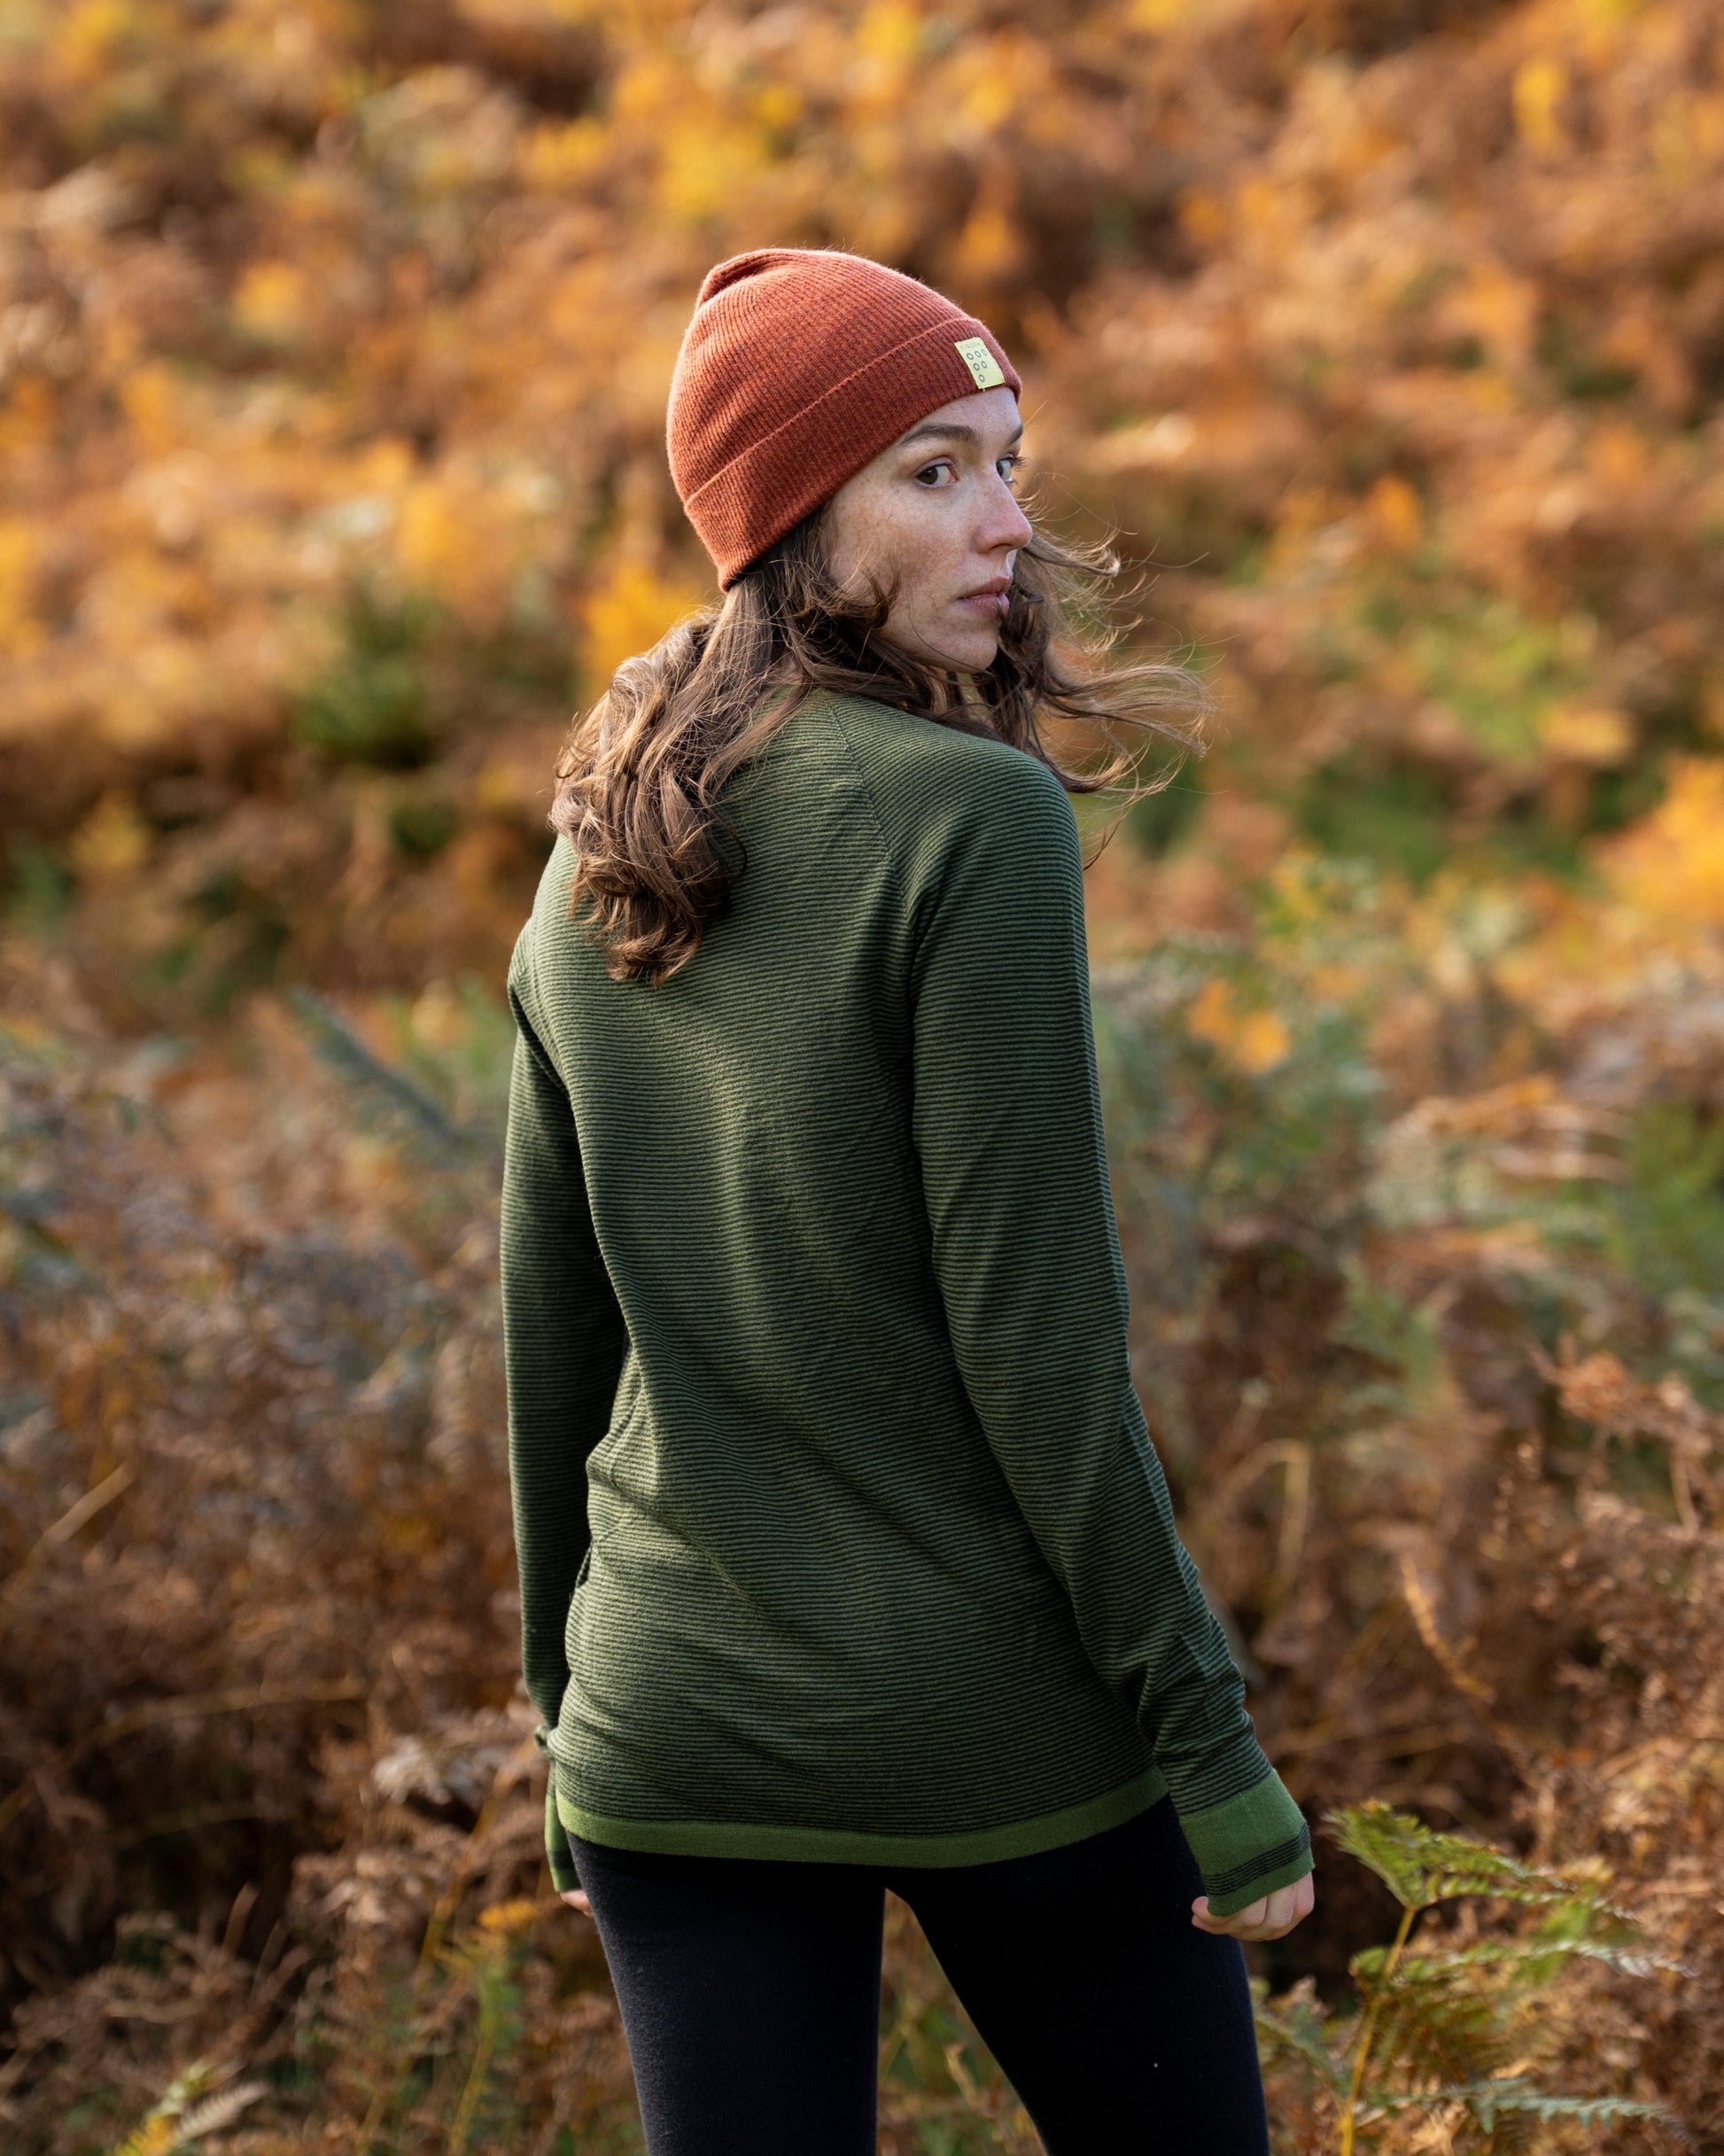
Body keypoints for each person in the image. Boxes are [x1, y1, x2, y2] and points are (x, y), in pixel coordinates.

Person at [501, 247, 1315, 2156]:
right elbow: (1040, 1350)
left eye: (1007, 463)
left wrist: (561, 1704)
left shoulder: (597, 845)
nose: (1008, 525)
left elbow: (548, 1333)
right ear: (789, 516)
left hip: (665, 1734)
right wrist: (1210, 1746)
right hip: (991, 1724)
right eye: (932, 471)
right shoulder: (977, 821)